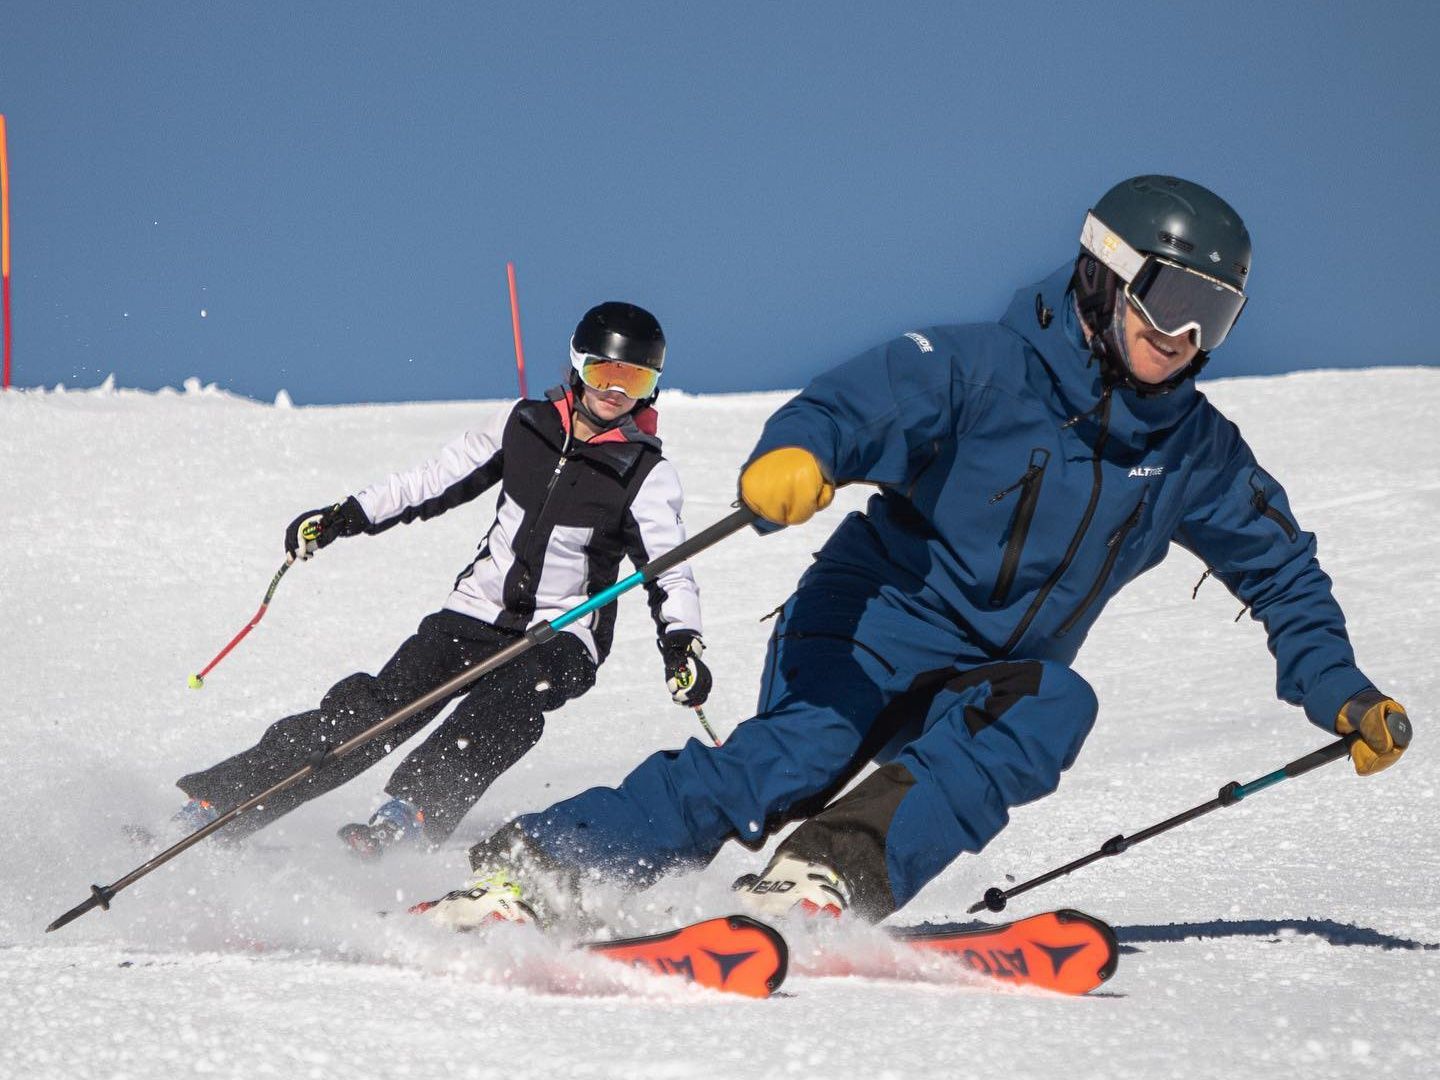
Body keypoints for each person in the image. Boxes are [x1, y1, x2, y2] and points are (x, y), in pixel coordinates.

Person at [421, 176, 1412, 928]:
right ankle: (543, 865)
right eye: (1169, 296)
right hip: (868, 627)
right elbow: (848, 406)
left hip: (988, 679)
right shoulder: (984, 369)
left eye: (1215, 315)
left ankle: (824, 876)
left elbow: (1283, 572)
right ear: (1106, 276)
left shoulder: (1194, 453)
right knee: (795, 757)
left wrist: (1342, 691)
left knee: (1058, 704)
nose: (1184, 333)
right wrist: (799, 455)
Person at [172, 302, 712, 858]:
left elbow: (670, 568)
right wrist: (346, 515)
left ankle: (410, 815)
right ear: (579, 366)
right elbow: (432, 480)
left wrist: (681, 644)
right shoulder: (524, 425)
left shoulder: (645, 472)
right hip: (475, 611)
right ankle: (221, 803)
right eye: (605, 373)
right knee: (376, 710)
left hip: (563, 631)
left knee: (507, 703)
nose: (616, 392)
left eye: (634, 380)